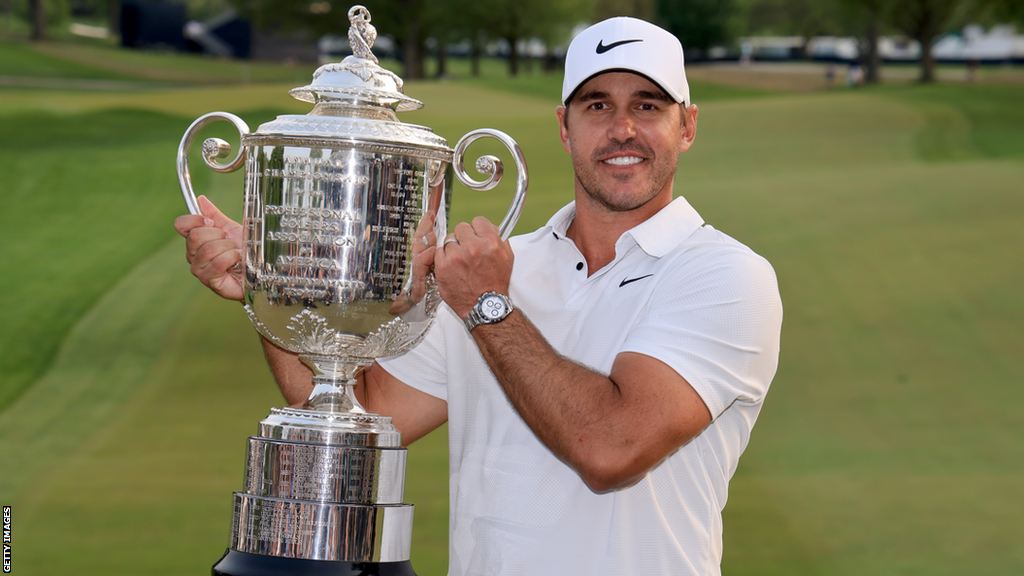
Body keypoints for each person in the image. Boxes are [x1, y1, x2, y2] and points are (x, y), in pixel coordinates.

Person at [176, 16, 782, 576]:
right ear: (565, 129)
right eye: (597, 105)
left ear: (688, 125)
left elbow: (611, 448)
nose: (622, 129)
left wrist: (486, 307)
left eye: (647, 105)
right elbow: (354, 407)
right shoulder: (493, 268)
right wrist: (272, 285)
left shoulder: (726, 275)